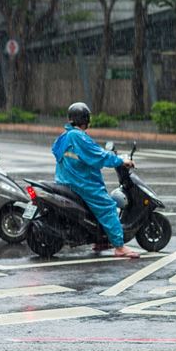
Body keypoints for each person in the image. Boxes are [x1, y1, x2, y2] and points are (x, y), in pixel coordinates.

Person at [52, 102, 140, 259]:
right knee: (108, 207)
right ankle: (119, 247)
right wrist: (120, 161)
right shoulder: (78, 136)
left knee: (96, 208)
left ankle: (100, 239)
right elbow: (97, 156)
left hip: (65, 180)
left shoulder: (66, 135)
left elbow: (61, 152)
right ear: (86, 119)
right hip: (81, 183)